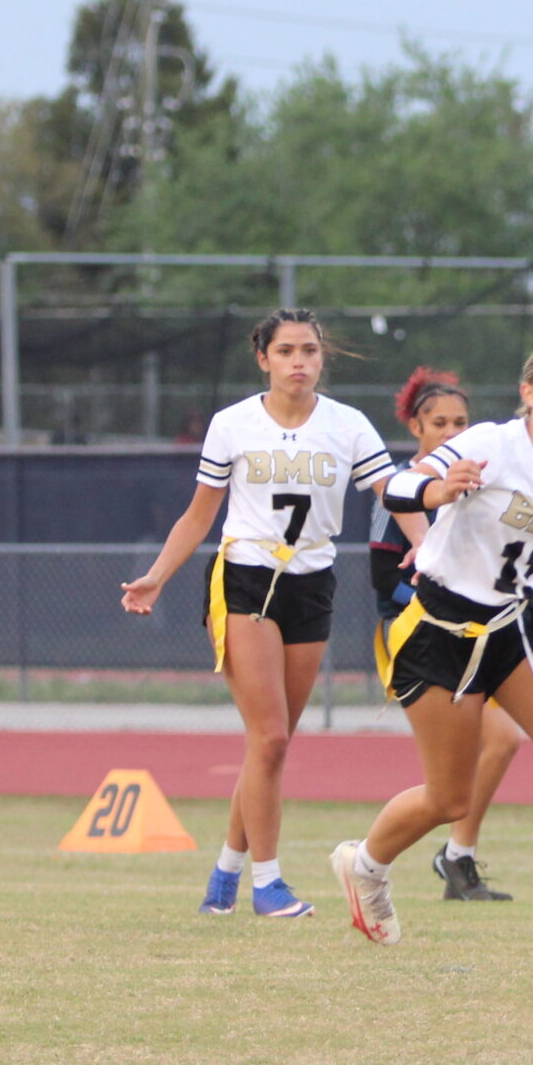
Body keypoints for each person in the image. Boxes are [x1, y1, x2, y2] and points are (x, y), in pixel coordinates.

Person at [330, 339, 533, 949]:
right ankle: (366, 867)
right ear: (529, 392)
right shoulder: (489, 442)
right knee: (449, 797)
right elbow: (401, 488)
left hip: (515, 628)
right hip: (439, 626)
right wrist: (438, 489)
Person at [123, 309, 397, 918]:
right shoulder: (233, 423)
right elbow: (200, 514)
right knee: (270, 736)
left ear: (322, 358)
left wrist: (431, 554)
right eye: (286, 350)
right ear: (263, 358)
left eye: (309, 350)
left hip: (312, 583)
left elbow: (395, 495)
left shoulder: (349, 427)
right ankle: (268, 884)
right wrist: (157, 577)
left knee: (269, 746)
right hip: (246, 581)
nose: (299, 361)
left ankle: (223, 877)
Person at [372, 368, 520, 902]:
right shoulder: (405, 488)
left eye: (461, 422)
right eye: (439, 423)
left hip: (481, 636)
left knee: (503, 743)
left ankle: (457, 856)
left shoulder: (478, 482)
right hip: (425, 636)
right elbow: (396, 578)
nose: (452, 431)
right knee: (450, 783)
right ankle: (376, 862)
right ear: (416, 427)